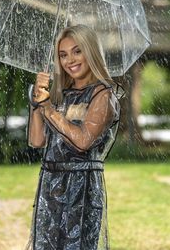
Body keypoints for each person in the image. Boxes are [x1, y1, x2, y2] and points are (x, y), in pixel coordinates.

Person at [26, 24, 121, 250]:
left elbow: (83, 141)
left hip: (82, 187)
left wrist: (48, 109)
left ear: (91, 52)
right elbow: (37, 141)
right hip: (50, 184)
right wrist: (36, 101)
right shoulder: (59, 95)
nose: (70, 60)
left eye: (77, 51)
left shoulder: (103, 95)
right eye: (63, 55)